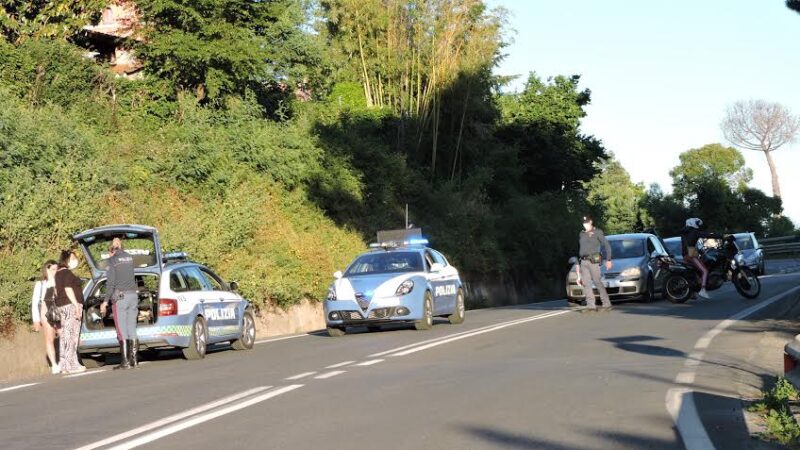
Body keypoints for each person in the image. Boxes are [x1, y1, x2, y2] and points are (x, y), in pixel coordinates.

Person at [100, 238, 139, 370]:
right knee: (131, 328)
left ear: (111, 251)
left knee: (121, 330)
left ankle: (125, 361)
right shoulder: (129, 258)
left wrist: (105, 302)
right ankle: (134, 360)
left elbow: (110, 284)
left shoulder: (112, 261)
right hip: (133, 296)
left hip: (121, 299)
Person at [54, 250, 86, 374]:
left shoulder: (57, 274)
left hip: (61, 305)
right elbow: (68, 289)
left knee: (65, 336)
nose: (75, 260)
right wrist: (76, 306)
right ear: (66, 259)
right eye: (72, 258)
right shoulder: (66, 273)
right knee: (72, 335)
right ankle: (71, 364)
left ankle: (65, 364)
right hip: (70, 306)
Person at [576, 215, 614, 312]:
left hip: (593, 261)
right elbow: (579, 249)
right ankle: (591, 306)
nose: (585, 225)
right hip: (583, 261)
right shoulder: (581, 234)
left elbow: (607, 245)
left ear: (591, 222)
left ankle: (606, 304)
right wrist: (578, 263)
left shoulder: (597, 232)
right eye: (583, 223)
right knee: (586, 283)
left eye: (587, 222)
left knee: (597, 282)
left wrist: (608, 259)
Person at [31, 260, 60, 375]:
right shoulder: (41, 284)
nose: (55, 271)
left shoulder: (59, 281)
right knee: (49, 339)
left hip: (59, 311)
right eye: (53, 269)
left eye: (56, 269)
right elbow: (35, 302)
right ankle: (54, 364)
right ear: (47, 270)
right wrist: (36, 320)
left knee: (64, 335)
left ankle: (65, 360)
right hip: (46, 312)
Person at [680, 218, 714, 299]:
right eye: (697, 223)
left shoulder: (684, 233)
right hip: (691, 255)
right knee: (705, 270)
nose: (698, 225)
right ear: (692, 223)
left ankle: (691, 292)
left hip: (686, 255)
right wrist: (721, 236)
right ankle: (703, 289)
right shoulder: (693, 232)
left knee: (694, 273)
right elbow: (707, 235)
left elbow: (690, 244)